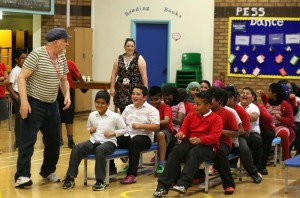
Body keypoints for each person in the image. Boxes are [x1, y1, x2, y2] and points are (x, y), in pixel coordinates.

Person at [14, 27, 71, 188]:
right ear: (56, 42)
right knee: (28, 140)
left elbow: (64, 79)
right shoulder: (37, 55)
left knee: (54, 142)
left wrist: (66, 95)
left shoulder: (62, 57)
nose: (67, 44)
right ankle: (22, 176)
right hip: (33, 102)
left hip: (52, 104)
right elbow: (21, 77)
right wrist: (24, 102)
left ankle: (48, 171)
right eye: (65, 41)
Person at [153, 91, 223, 197]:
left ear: (208, 106)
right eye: (194, 103)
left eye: (198, 104)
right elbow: (183, 129)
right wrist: (181, 134)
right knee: (176, 150)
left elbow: (214, 137)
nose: (195, 106)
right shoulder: (190, 116)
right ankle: (163, 186)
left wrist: (201, 140)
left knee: (195, 152)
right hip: (191, 143)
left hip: (208, 147)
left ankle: (183, 184)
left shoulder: (216, 118)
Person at [62, 90, 126, 191]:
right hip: (93, 141)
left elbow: (124, 129)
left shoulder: (115, 116)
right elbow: (88, 127)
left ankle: (100, 180)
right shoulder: (92, 115)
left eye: (102, 103)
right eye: (97, 102)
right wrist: (90, 130)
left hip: (109, 143)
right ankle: (70, 177)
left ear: (108, 104)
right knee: (77, 148)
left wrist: (113, 133)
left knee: (100, 149)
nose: (99, 105)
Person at [107, 85, 160, 184]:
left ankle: (132, 174)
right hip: (128, 135)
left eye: (138, 94)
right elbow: (120, 124)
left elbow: (156, 127)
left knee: (134, 142)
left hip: (144, 137)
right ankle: (111, 168)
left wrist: (141, 125)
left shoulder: (151, 110)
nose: (134, 96)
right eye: (133, 94)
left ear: (144, 97)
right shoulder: (128, 108)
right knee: (111, 139)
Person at [223, 85, 262, 183]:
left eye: (224, 98)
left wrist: (234, 131)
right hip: (222, 135)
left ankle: (253, 172)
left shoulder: (241, 111)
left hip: (239, 136)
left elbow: (247, 132)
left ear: (232, 99)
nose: (221, 100)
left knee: (243, 149)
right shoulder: (219, 109)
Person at [207, 87, 238, 195]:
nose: (207, 101)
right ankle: (196, 176)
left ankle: (228, 184)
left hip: (223, 143)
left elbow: (235, 133)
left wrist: (219, 131)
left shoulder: (228, 113)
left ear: (219, 100)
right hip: (207, 142)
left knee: (219, 152)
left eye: (210, 99)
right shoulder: (205, 112)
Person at [110, 38, 148, 113]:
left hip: (135, 89)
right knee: (123, 110)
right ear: (124, 47)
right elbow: (113, 74)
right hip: (121, 90)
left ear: (134, 47)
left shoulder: (139, 58)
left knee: (134, 110)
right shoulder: (119, 58)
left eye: (132, 46)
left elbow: (144, 75)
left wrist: (145, 91)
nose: (130, 48)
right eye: (128, 46)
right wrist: (112, 88)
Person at [258, 83, 294, 161]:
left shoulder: (285, 105)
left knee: (284, 133)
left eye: (269, 91)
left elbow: (291, 120)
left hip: (280, 126)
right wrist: (263, 94)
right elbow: (265, 98)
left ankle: (286, 158)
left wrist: (281, 118)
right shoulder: (268, 101)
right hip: (268, 126)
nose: (268, 92)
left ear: (275, 93)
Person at [57, 59, 84, 148]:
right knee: (57, 117)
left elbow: (78, 75)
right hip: (55, 92)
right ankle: (59, 139)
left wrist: (84, 86)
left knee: (69, 116)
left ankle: (70, 139)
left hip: (68, 91)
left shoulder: (70, 63)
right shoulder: (51, 63)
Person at [149, 86, 173, 175]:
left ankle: (162, 162)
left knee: (160, 134)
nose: (153, 102)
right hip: (152, 129)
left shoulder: (166, 107)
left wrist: (153, 123)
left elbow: (166, 121)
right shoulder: (148, 108)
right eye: (151, 99)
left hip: (165, 130)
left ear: (161, 98)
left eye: (156, 99)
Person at [239, 87, 264, 176]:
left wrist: (240, 114)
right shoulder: (236, 106)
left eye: (247, 93)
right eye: (243, 93)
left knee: (256, 140)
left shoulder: (254, 107)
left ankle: (257, 168)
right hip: (240, 133)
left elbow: (254, 117)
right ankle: (232, 165)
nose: (244, 94)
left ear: (252, 98)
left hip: (252, 133)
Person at [6, 49, 27, 150]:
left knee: (26, 120)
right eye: (22, 58)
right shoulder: (15, 71)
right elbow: (9, 86)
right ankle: (18, 142)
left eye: (26, 58)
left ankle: (24, 141)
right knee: (19, 121)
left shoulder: (26, 70)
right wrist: (17, 98)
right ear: (16, 60)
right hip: (18, 96)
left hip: (26, 96)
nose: (24, 60)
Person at [0, 61, 9, 154]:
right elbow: (3, 79)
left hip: (1, 96)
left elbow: (7, 80)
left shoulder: (2, 65)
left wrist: (3, 79)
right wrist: (1, 78)